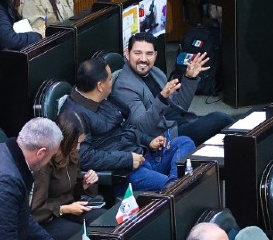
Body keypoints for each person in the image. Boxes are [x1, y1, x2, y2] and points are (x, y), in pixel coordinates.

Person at [62, 57, 194, 193]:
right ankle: (173, 186)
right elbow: (85, 157)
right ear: (100, 86)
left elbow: (125, 126)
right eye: (110, 79)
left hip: (141, 156)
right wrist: (127, 159)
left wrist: (148, 141)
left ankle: (174, 183)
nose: (112, 82)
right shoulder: (74, 116)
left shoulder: (100, 98)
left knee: (184, 142)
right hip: (123, 173)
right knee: (171, 186)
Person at [111, 31, 234, 147]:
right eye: (137, 53)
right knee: (220, 119)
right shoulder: (124, 86)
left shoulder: (155, 72)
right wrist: (162, 98)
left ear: (155, 55)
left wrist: (189, 78)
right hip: (166, 135)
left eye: (149, 54)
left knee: (224, 131)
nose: (143, 59)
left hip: (181, 123)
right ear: (127, 54)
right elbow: (143, 127)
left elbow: (180, 107)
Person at [31, 111, 104, 240]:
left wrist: (84, 185)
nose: (78, 147)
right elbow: (36, 210)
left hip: (70, 209)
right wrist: (65, 209)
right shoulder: (44, 163)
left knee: (105, 221)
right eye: (76, 143)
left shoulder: (72, 154)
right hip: (48, 219)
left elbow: (70, 190)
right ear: (65, 141)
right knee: (82, 237)